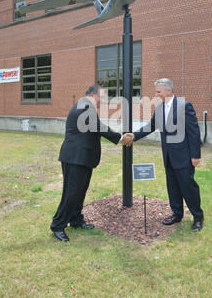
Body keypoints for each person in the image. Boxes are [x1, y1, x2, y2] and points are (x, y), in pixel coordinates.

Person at [122, 78, 204, 232]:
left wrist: (195, 156)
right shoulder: (159, 108)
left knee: (188, 187)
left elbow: (194, 132)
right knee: (172, 186)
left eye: (158, 91)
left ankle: (198, 217)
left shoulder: (184, 106)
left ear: (168, 90)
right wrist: (133, 135)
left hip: (184, 156)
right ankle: (177, 214)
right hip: (168, 156)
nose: (156, 94)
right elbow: (151, 126)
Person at [50, 85, 121, 242]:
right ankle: (57, 225)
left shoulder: (85, 105)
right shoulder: (84, 105)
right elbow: (98, 127)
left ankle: (76, 220)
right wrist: (120, 138)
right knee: (72, 192)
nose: (102, 101)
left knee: (80, 191)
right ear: (92, 94)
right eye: (101, 98)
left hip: (82, 158)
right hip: (75, 158)